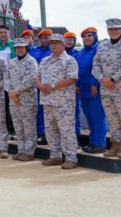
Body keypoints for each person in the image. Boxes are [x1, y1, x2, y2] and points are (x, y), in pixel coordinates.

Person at [92, 18, 121, 159]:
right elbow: (96, 65)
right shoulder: (103, 46)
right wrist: (102, 79)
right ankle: (116, 145)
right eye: (111, 29)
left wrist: (112, 79)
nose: (113, 31)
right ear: (107, 30)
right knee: (112, 119)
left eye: (116, 29)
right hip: (106, 90)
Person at [37, 34, 80, 169]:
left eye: (56, 42)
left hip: (64, 103)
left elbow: (72, 79)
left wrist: (53, 86)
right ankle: (55, 156)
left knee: (66, 131)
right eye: (51, 43)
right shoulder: (44, 61)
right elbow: (36, 77)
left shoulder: (69, 60)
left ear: (63, 44)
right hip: (47, 101)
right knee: (50, 131)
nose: (53, 45)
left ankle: (71, 158)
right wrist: (40, 86)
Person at [4, 38, 39, 161]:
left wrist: (15, 92)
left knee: (28, 127)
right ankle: (21, 150)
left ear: (26, 48)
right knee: (18, 127)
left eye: (22, 47)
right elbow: (6, 78)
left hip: (27, 99)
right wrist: (10, 92)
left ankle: (29, 152)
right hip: (13, 100)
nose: (19, 49)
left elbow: (30, 79)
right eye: (17, 47)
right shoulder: (11, 62)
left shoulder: (31, 62)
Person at [76, 27, 107, 153]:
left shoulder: (99, 50)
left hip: (95, 90)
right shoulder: (82, 52)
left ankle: (100, 144)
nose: (87, 38)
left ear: (95, 37)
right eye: (84, 36)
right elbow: (78, 70)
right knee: (89, 117)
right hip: (83, 90)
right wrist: (77, 84)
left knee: (97, 117)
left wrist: (94, 84)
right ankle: (93, 142)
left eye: (89, 35)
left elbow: (101, 68)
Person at [31, 28, 53, 144]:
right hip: (37, 87)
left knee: (51, 113)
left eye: (47, 37)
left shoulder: (54, 50)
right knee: (39, 112)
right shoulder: (34, 52)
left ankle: (50, 135)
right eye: (43, 38)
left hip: (51, 88)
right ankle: (41, 133)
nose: (45, 40)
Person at [64, 31, 83, 138]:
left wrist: (77, 85)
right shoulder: (59, 54)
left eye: (71, 40)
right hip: (60, 90)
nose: (69, 42)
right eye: (67, 40)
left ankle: (76, 135)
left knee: (75, 113)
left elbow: (79, 72)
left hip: (74, 88)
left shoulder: (78, 54)